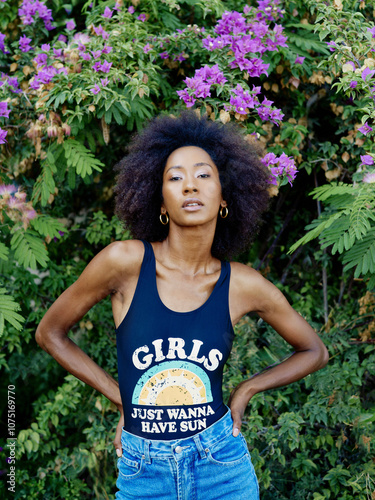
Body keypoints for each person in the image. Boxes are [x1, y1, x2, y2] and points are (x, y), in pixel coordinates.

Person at [35, 111, 329, 500]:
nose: (190, 185)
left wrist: (247, 390)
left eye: (204, 175)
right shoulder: (123, 263)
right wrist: (119, 395)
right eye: (175, 178)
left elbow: (314, 351)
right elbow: (50, 333)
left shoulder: (242, 284)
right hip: (144, 472)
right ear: (160, 202)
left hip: (221, 465)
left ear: (225, 198)